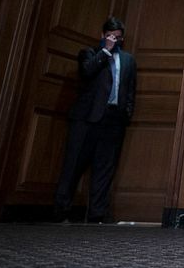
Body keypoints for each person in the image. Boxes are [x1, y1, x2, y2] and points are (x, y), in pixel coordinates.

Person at [53, 16, 136, 223]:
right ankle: (61, 210)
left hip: (113, 121)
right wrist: (105, 51)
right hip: (87, 119)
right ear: (102, 35)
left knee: (105, 167)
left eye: (117, 38)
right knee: (74, 164)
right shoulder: (89, 53)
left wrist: (126, 114)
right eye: (109, 36)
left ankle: (97, 213)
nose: (113, 40)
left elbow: (131, 90)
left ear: (122, 39)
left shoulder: (128, 60)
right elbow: (87, 72)